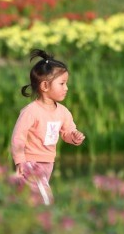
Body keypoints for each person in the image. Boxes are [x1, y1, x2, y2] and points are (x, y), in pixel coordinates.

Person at [11, 49, 85, 205]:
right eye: (62, 83)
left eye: (66, 84)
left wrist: (74, 137)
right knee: (45, 199)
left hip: (48, 163)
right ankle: (51, 220)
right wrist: (20, 161)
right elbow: (18, 137)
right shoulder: (31, 111)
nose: (66, 88)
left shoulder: (63, 112)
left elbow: (67, 132)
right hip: (31, 162)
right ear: (45, 85)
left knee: (30, 200)